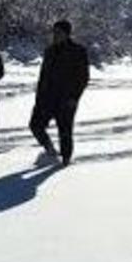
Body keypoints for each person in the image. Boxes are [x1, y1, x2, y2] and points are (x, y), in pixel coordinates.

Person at [29, 19, 90, 166]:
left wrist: (74, 97)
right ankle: (50, 150)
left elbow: (83, 77)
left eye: (59, 32)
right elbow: (43, 76)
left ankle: (66, 161)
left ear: (67, 34)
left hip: (66, 99)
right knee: (35, 125)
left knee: (65, 131)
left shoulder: (78, 51)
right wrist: (38, 98)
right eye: (54, 32)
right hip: (47, 98)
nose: (55, 35)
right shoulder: (49, 51)